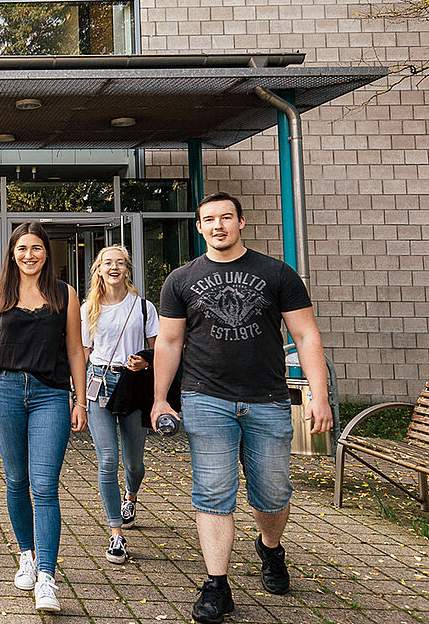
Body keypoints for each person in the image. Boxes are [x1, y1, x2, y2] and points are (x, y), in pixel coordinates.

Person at [151, 192, 331, 624]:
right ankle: (217, 585)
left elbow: (306, 336)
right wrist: (160, 397)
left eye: (226, 218)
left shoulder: (277, 273)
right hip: (204, 398)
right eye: (209, 219)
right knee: (213, 491)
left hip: (267, 399)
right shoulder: (180, 279)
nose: (218, 226)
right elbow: (170, 342)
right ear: (199, 227)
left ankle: (270, 548)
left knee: (271, 493)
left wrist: (319, 394)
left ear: (241, 222)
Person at [0, 221, 87, 612]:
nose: (29, 255)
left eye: (36, 248)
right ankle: (27, 555)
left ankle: (48, 578)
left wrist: (80, 401)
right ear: (12, 253)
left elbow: (74, 352)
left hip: (50, 395)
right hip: (4, 392)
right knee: (17, 479)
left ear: (46, 253)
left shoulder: (64, 294)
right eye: (22, 248)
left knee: (45, 485)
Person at [79, 245, 158, 565]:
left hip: (133, 384)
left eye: (120, 263)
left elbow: (159, 350)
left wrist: (145, 363)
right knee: (108, 459)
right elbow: (82, 354)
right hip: (99, 384)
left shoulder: (143, 307)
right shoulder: (89, 309)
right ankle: (116, 534)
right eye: (107, 263)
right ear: (98, 270)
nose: (114, 267)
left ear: (127, 270)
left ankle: (131, 497)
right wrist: (78, 395)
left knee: (134, 463)